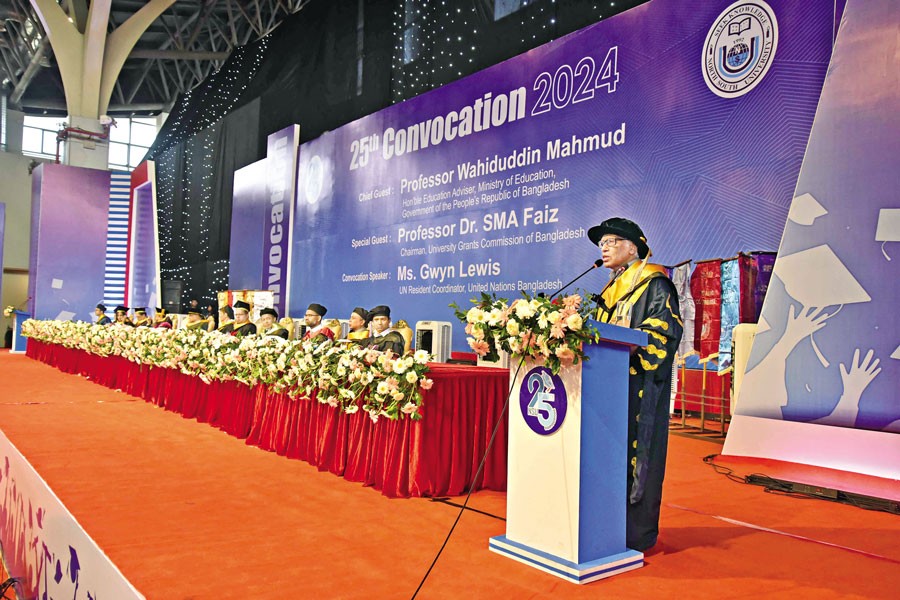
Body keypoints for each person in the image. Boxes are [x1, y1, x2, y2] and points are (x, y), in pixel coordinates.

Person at [587, 217, 683, 552]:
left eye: (612, 241)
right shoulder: (609, 290)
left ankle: (634, 534)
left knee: (637, 459)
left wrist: (628, 357)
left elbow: (664, 333)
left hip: (638, 390)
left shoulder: (655, 283)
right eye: (603, 243)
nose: (605, 247)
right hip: (607, 391)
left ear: (634, 248)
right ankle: (606, 524)